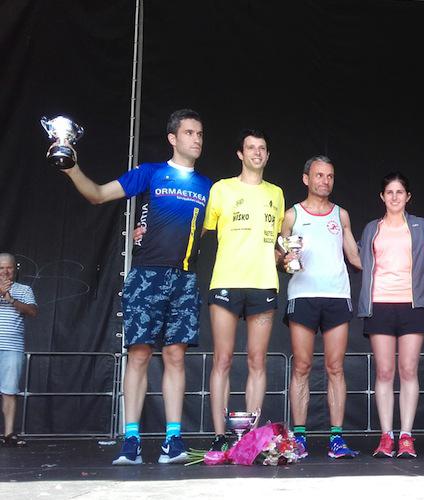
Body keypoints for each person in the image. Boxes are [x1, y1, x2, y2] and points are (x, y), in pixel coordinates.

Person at [61, 109, 212, 464]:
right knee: (139, 354)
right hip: (147, 275)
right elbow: (98, 194)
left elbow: (206, 230)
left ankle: (173, 441)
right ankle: (131, 440)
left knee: (176, 356)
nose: (196, 139)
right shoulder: (151, 172)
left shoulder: (209, 186)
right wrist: (70, 167)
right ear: (173, 138)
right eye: (189, 132)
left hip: (184, 277)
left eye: (200, 133)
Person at [203, 130, 284, 452]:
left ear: (268, 155)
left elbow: (279, 243)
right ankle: (220, 436)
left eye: (262, 148)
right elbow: (202, 229)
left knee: (257, 360)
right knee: (222, 359)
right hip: (226, 280)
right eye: (251, 148)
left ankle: (250, 438)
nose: (257, 153)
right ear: (240, 154)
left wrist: (286, 256)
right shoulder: (221, 188)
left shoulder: (276, 193)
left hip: (263, 282)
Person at [281, 155, 361, 459]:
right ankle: (299, 438)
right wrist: (285, 259)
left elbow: (355, 257)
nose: (324, 181)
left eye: (329, 176)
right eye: (319, 175)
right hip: (303, 295)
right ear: (306, 179)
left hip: (337, 295)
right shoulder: (292, 215)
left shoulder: (341, 215)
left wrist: (398, 268)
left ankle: (336, 438)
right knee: (302, 366)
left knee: (335, 367)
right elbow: (281, 256)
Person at [357, 172, 424, 459]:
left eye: (399, 192)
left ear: (408, 196)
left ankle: (406, 436)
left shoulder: (422, 226)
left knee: (408, 370)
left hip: (413, 304)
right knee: (384, 371)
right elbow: (360, 260)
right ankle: (386, 436)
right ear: (382, 196)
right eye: (389, 192)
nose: (394, 197)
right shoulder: (371, 228)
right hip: (379, 303)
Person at [0, 253, 37, 447]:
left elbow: (33, 311)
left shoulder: (24, 289)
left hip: (12, 347)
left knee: (9, 391)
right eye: (1, 268)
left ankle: (9, 434)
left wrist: (10, 299)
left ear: (15, 269)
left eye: (9, 267)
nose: (5, 272)